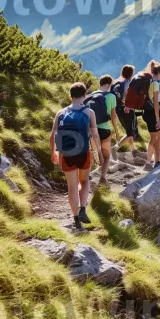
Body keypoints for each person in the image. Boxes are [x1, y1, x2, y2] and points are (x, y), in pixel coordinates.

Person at [50, 82, 103, 230]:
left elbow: (52, 135)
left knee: (72, 187)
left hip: (65, 153)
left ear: (70, 96)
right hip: (83, 152)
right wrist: (98, 154)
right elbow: (95, 135)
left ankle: (76, 220)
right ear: (85, 96)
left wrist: (53, 153)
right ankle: (83, 209)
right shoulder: (89, 113)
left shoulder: (60, 113)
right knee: (84, 181)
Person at [87, 75, 120, 184]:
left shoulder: (90, 96)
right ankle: (103, 178)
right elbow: (113, 116)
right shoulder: (111, 96)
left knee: (95, 152)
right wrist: (116, 130)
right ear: (108, 85)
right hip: (105, 129)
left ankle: (87, 174)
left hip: (92, 128)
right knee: (106, 156)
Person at [111, 65, 139, 158]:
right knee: (130, 133)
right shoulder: (128, 82)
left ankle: (134, 149)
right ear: (131, 73)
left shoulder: (116, 82)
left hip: (118, 109)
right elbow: (127, 97)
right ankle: (115, 148)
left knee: (129, 130)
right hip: (127, 109)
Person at [142, 61, 160, 170]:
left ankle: (158, 160)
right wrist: (157, 119)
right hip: (152, 113)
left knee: (156, 137)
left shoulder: (147, 82)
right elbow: (156, 103)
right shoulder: (155, 84)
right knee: (154, 138)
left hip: (146, 112)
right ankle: (147, 163)